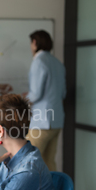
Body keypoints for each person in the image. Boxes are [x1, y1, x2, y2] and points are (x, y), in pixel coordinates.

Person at [25, 30, 66, 171]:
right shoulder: (57, 63)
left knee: (28, 161)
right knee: (49, 163)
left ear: (35, 43)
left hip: (41, 122)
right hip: (57, 121)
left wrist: (20, 99)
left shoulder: (39, 61)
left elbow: (35, 94)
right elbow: (63, 93)